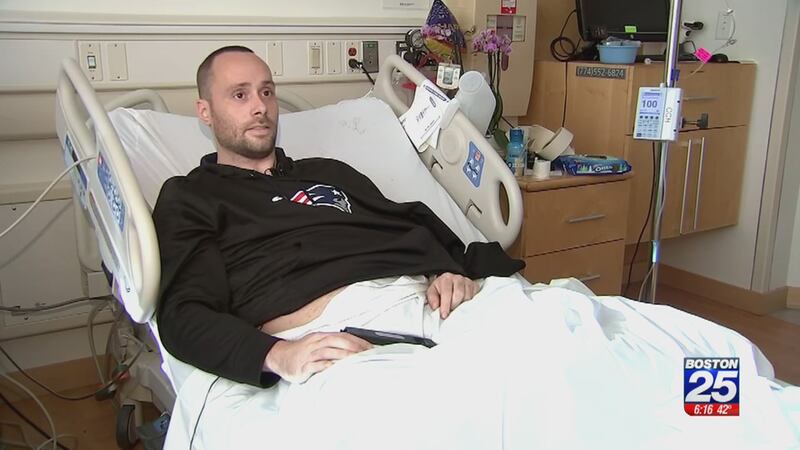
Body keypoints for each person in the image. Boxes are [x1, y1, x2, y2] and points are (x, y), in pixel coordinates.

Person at [152, 45, 524, 387]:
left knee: (550, 329)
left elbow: (409, 225)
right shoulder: (193, 196)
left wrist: (448, 272)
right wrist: (278, 355)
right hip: (342, 335)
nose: (260, 107)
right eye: (239, 95)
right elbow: (185, 313)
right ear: (205, 111)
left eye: (266, 92)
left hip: (433, 304)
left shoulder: (329, 173)